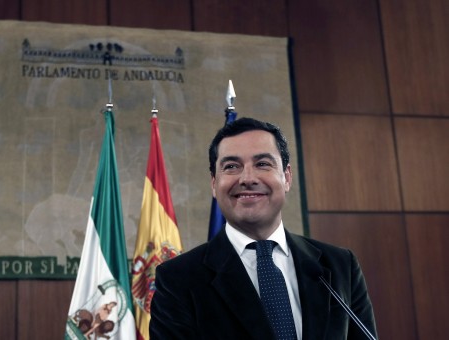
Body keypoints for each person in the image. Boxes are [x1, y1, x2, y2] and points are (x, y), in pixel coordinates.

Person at [150, 117, 377, 339]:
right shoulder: (178, 279)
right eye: (231, 166)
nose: (247, 178)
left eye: (262, 164)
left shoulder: (340, 266)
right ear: (213, 183)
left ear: (287, 177)